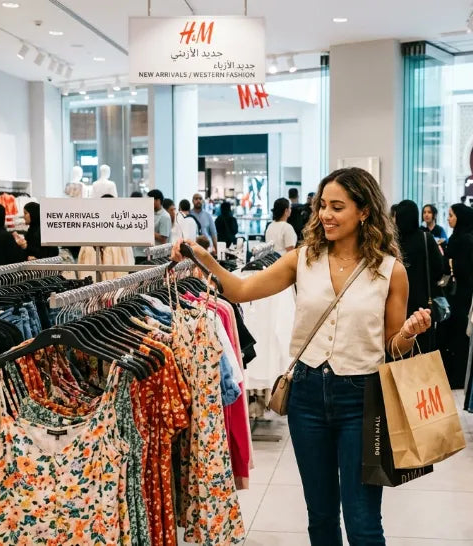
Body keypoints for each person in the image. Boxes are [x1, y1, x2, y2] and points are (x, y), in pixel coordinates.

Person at [170, 167, 432, 545]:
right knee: (320, 516)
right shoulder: (302, 259)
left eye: (337, 207)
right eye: (322, 205)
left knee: (362, 521)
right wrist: (200, 256)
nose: (325, 214)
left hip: (361, 398)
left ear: (364, 212)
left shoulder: (391, 272)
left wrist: (407, 334)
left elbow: (391, 345)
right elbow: (241, 290)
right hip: (307, 395)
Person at [439, 203, 473, 388]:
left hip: (458, 293)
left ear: (460, 218)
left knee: (455, 334)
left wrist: (447, 260)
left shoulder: (461, 240)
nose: (449, 219)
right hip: (464, 291)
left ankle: (456, 377)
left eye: (452, 215)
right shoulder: (468, 237)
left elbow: (461, 269)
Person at [395, 200, 443, 354]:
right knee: (421, 347)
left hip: (395, 302)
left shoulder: (391, 241)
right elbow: (439, 269)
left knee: (396, 344)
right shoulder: (425, 238)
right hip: (422, 302)